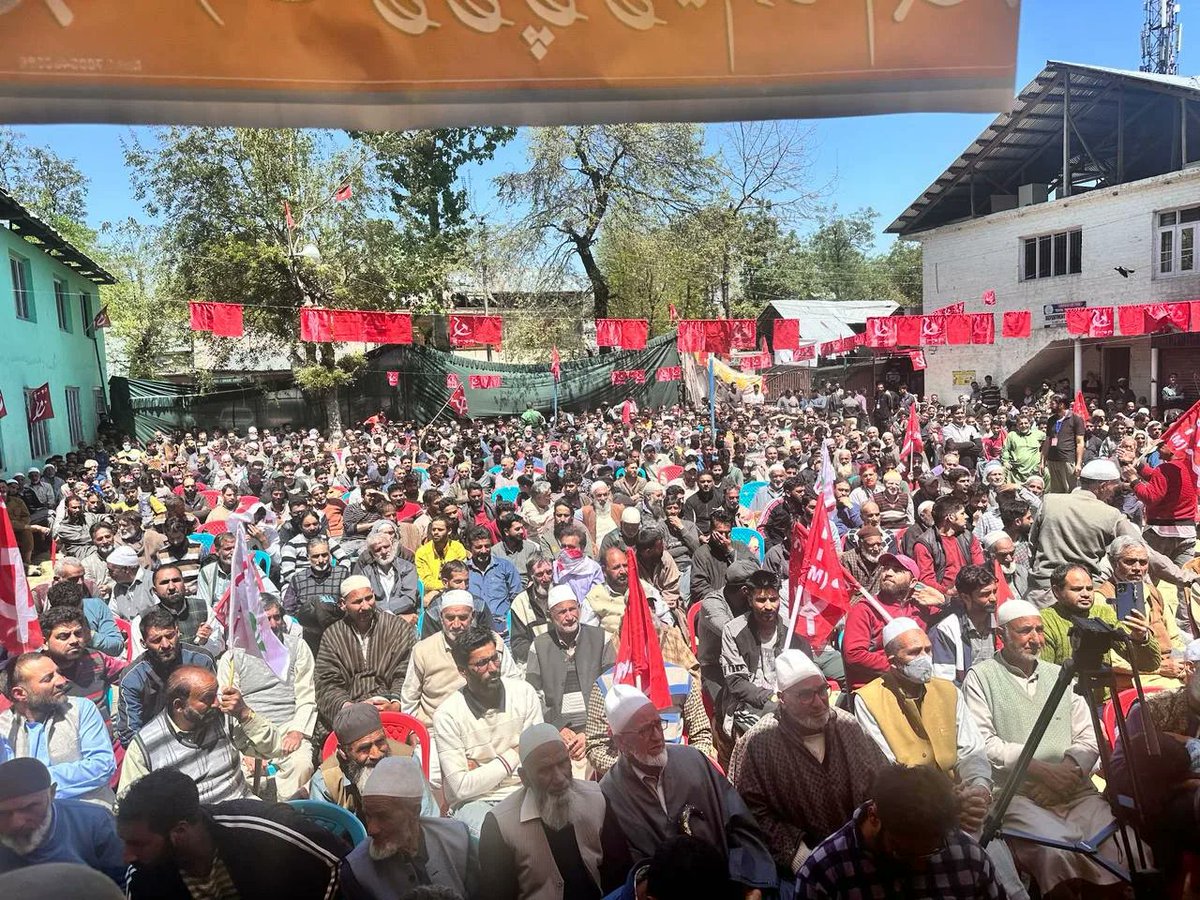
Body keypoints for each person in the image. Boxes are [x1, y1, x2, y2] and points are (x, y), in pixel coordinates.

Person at [962, 599, 1137, 899]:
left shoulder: (1060, 673)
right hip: (1019, 795)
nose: (1036, 638)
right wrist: (1042, 772)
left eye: (1040, 630)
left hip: (1074, 790)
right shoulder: (981, 677)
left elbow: (1088, 736)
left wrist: (1068, 772)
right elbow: (984, 743)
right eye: (1025, 630)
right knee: (1056, 853)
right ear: (1002, 634)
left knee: (1125, 847)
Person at [853, 618, 1027, 899]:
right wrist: (948, 801)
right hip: (911, 810)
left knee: (1005, 881)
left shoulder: (947, 690)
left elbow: (972, 750)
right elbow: (887, 768)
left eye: (927, 650)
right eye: (913, 653)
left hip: (966, 804)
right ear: (892, 661)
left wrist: (979, 790)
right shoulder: (868, 699)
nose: (924, 658)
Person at [599, 684, 777, 895]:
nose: (657, 736)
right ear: (620, 741)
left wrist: (752, 884)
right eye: (645, 731)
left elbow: (741, 827)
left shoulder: (694, 761)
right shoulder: (609, 795)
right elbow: (626, 877)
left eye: (658, 724)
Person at [729, 651, 888, 882]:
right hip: (797, 870)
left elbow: (882, 780)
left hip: (862, 853)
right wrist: (798, 854)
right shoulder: (759, 742)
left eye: (823, 690)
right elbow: (749, 811)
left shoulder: (847, 726)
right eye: (805, 695)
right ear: (782, 698)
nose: (818, 702)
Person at [119, 768, 343, 900]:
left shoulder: (258, 828)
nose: (127, 856)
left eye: (138, 844)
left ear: (179, 831)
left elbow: (338, 862)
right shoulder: (143, 878)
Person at [794, 764, 1005, 900]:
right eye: (904, 853)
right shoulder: (823, 873)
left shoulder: (966, 854)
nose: (920, 865)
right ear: (874, 817)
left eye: (932, 852)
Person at [479, 723, 629, 900]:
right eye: (545, 770)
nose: (559, 778)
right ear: (525, 778)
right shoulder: (500, 824)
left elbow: (620, 874)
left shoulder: (596, 798)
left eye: (563, 763)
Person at [117, 665, 289, 803]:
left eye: (217, 694)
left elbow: (274, 749)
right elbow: (130, 806)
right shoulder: (146, 747)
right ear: (179, 706)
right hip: (193, 830)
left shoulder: (223, 719)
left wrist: (244, 714)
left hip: (241, 809)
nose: (217, 703)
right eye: (208, 698)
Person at [433, 625, 544, 836]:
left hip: (525, 791)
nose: (493, 668)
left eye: (495, 658)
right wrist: (514, 753)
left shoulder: (524, 694)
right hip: (475, 802)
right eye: (482, 663)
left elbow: (537, 760)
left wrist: (481, 768)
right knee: (497, 835)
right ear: (462, 671)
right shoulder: (447, 714)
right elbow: (461, 788)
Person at [217, 595, 316, 800]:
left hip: (288, 727)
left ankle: (289, 818)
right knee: (240, 777)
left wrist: (298, 732)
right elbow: (228, 705)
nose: (273, 624)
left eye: (277, 617)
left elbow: (306, 695)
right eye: (266, 620)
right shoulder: (234, 657)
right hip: (249, 732)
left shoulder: (297, 648)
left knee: (301, 765)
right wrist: (243, 752)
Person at [341, 756, 478, 900]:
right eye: (368, 816)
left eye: (383, 817)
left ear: (415, 811)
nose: (372, 829)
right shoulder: (356, 870)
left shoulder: (458, 839)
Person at [0, 652, 115, 807]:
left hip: (85, 815)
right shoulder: (4, 730)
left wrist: (38, 781)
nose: (62, 681)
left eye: (58, 673)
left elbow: (103, 765)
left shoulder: (81, 709)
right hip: (27, 823)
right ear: (20, 693)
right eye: (48, 679)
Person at [526, 586, 613, 778]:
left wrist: (589, 733)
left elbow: (612, 691)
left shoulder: (602, 639)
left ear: (579, 608)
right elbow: (533, 695)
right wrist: (558, 727)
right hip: (556, 732)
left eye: (572, 609)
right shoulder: (538, 646)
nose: (569, 616)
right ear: (550, 616)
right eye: (562, 612)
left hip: (597, 730)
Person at [314, 575, 418, 734]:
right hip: (348, 711)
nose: (366, 606)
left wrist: (396, 703)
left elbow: (405, 672)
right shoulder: (333, 635)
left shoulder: (397, 627)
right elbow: (326, 682)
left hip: (388, 705)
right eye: (357, 602)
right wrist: (349, 708)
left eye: (369, 598)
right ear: (343, 604)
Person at [1038, 562, 1160, 690]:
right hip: (1066, 698)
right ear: (1057, 591)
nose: (1086, 594)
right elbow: (1044, 676)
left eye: (1089, 588)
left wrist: (1141, 638)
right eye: (1077, 589)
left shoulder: (1103, 613)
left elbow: (1150, 665)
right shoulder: (1045, 621)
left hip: (1104, 701)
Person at [0, 758, 125, 881]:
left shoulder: (95, 823)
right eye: (3, 813)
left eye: (29, 808)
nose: (17, 822)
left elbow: (124, 885)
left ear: (52, 793)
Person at [718, 569, 806, 737]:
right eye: (761, 600)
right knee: (770, 737)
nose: (768, 606)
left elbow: (804, 673)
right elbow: (736, 682)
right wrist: (770, 699)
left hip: (789, 701)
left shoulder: (791, 629)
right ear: (750, 600)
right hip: (748, 704)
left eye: (773, 600)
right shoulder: (733, 630)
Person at [842, 552, 946, 690]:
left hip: (918, 682)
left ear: (913, 582)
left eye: (897, 571)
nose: (888, 573)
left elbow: (963, 619)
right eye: (885, 568)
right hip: (877, 685)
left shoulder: (922, 606)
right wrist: (901, 667)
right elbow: (853, 654)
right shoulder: (865, 609)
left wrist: (944, 602)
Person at [115, 607, 216, 747]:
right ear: (143, 643)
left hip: (202, 738)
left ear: (178, 632)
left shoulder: (201, 660)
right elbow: (129, 732)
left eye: (170, 636)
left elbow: (216, 707)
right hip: (155, 746)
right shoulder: (132, 678)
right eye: (156, 640)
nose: (165, 645)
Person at [309, 703, 424, 817]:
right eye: (364, 748)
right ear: (343, 752)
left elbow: (428, 820)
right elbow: (322, 831)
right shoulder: (325, 783)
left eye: (380, 742)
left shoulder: (408, 761)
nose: (376, 754)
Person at [39, 605, 126, 725]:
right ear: (44, 642)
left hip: (106, 740)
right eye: (64, 636)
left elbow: (130, 674)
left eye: (78, 633)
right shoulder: (34, 672)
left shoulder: (96, 659)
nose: (74, 641)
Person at [930, 564, 1002, 684]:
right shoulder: (946, 630)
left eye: (994, 591)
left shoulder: (1000, 623)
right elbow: (944, 684)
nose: (993, 598)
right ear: (966, 598)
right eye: (985, 594)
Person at [283, 536, 348, 653]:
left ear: (330, 555)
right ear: (308, 557)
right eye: (315, 556)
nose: (321, 560)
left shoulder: (342, 574)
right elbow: (288, 609)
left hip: (336, 631)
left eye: (324, 555)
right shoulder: (298, 578)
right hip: (307, 633)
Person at [911, 496, 985, 596]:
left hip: (971, 592)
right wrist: (948, 592)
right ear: (951, 517)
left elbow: (979, 566)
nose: (967, 516)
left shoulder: (968, 536)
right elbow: (926, 580)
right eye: (962, 513)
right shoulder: (924, 544)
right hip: (941, 598)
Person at [464, 525, 523, 637]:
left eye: (487, 546)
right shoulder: (464, 571)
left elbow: (517, 597)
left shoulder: (505, 567)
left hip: (503, 628)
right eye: (478, 547)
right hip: (474, 630)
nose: (483, 551)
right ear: (470, 548)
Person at [352, 527, 420, 622]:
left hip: (403, 616)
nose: (383, 552)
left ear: (392, 546)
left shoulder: (407, 568)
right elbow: (365, 601)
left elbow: (408, 598)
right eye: (378, 550)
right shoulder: (366, 573)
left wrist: (387, 614)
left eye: (386, 547)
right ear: (372, 554)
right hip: (376, 619)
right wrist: (389, 616)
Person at [689, 509, 755, 605]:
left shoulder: (740, 547)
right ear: (711, 531)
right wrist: (722, 599)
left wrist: (730, 551)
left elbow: (753, 570)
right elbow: (698, 587)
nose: (723, 537)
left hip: (742, 603)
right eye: (719, 533)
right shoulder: (702, 553)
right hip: (714, 604)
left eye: (727, 533)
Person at [1042, 393, 1086, 494]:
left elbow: (1080, 443)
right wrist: (1043, 460)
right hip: (1052, 460)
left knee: (1071, 491)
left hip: (1067, 460)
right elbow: (1048, 441)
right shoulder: (1051, 420)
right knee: (1057, 492)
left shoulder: (1076, 418)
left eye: (1052, 403)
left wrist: (1078, 464)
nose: (1050, 405)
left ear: (1061, 405)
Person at [413, 514, 468, 593]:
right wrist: (446, 585)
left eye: (440, 530)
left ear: (449, 531)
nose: (436, 532)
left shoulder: (457, 548)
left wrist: (448, 585)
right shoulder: (422, 552)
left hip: (456, 590)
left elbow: (461, 575)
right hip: (432, 592)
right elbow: (425, 581)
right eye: (433, 529)